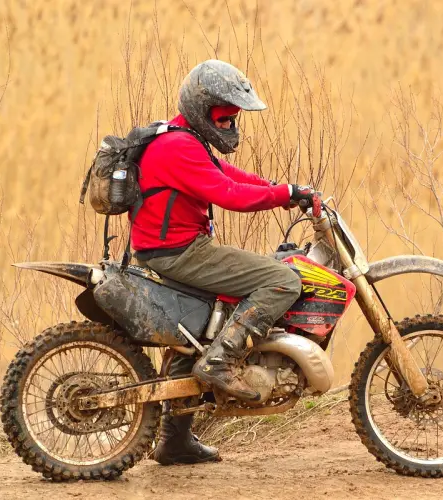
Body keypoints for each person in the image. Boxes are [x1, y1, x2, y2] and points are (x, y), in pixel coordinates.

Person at [131, 59, 316, 465]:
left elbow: (230, 174)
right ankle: (221, 360)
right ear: (202, 109)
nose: (231, 125)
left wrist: (285, 189)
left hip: (166, 248)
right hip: (178, 251)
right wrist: (283, 195)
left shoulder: (183, 137)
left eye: (233, 118)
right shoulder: (179, 146)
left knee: (195, 332)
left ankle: (175, 442)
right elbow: (228, 194)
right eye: (225, 117)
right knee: (283, 280)